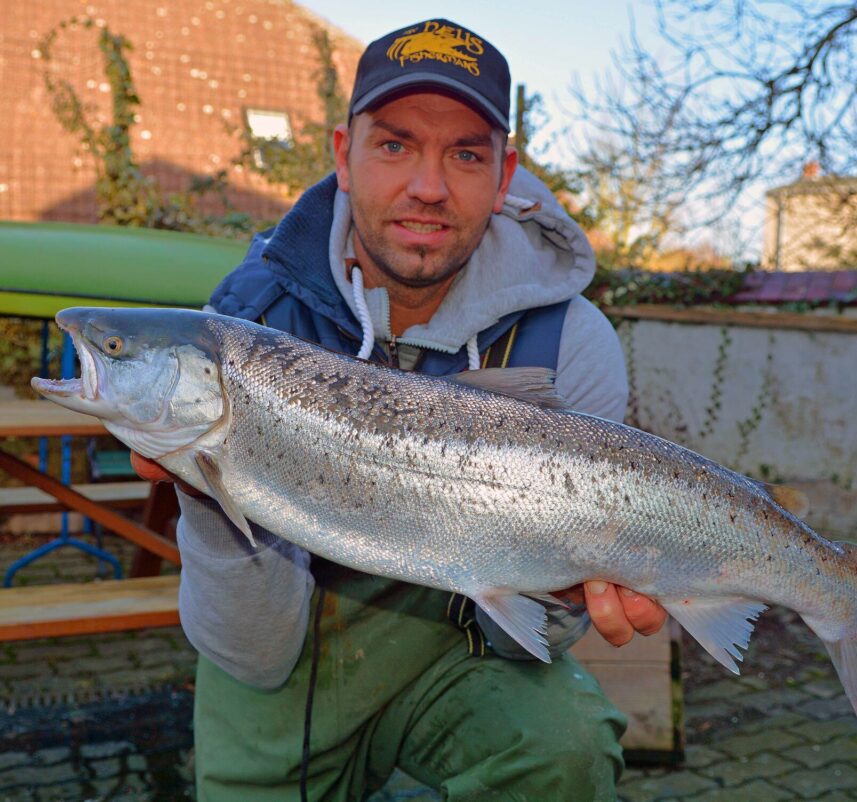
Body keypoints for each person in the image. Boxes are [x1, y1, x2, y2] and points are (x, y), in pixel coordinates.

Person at [133, 18, 666, 801]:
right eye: (394, 144)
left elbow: (534, 642)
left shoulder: (571, 341)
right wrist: (214, 488)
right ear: (343, 156)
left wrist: (556, 589)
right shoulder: (244, 323)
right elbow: (254, 654)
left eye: (466, 154)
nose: (429, 186)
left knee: (568, 749)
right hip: (277, 659)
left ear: (505, 175)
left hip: (460, 651)